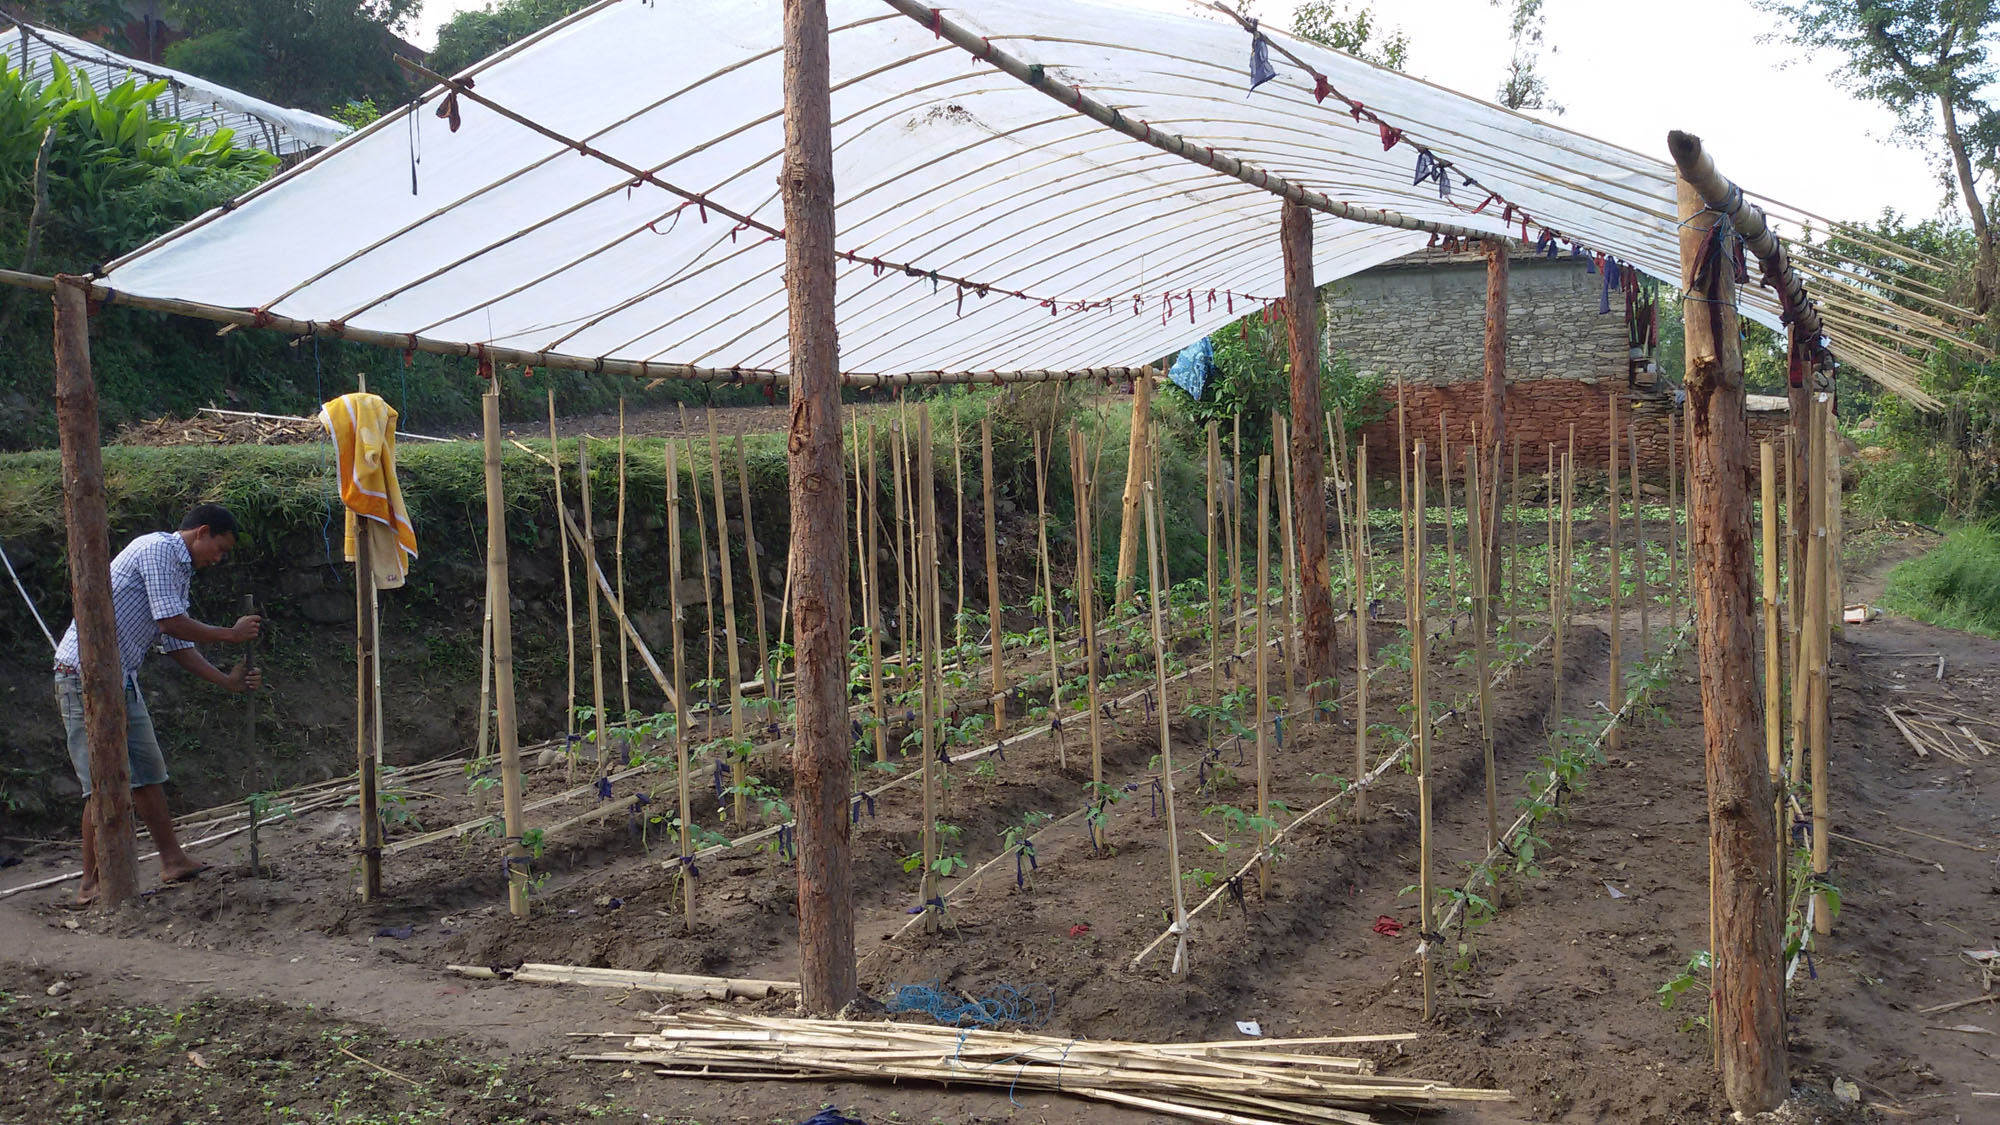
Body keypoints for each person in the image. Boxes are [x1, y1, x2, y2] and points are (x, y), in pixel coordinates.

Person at [52, 503, 262, 905]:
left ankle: (172, 860)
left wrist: (227, 681)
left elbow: (177, 642)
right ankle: (90, 884)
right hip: (84, 676)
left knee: (148, 774)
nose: (219, 559)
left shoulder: (179, 569)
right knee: (102, 782)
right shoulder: (158, 550)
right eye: (220, 548)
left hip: (120, 679)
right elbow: (170, 623)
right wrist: (230, 636)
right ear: (202, 532)